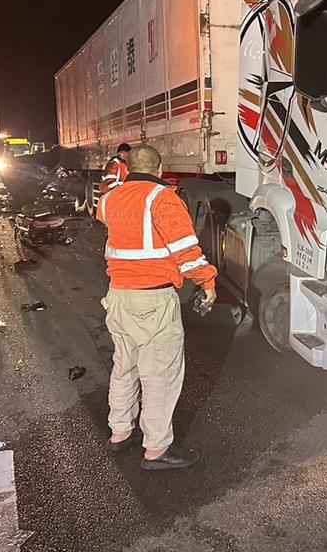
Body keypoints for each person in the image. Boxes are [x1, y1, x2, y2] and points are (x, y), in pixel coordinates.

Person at [96, 144, 217, 470]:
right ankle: (157, 449)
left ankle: (120, 432)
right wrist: (207, 281)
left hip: (118, 297)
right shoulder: (163, 199)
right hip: (152, 300)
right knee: (160, 374)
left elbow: (108, 219)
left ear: (128, 167)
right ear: (159, 169)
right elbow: (186, 251)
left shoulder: (110, 199)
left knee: (124, 367)